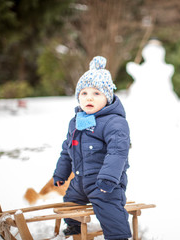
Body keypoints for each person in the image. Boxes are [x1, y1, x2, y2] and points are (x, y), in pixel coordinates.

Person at [53, 56, 131, 240]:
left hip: (105, 183)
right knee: (70, 202)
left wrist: (108, 179)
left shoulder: (115, 123)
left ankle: (118, 236)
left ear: (107, 97)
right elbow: (67, 150)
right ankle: (74, 227)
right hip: (80, 181)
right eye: (84, 93)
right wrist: (61, 173)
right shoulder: (76, 122)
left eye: (97, 93)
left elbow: (117, 153)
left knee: (109, 209)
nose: (89, 97)